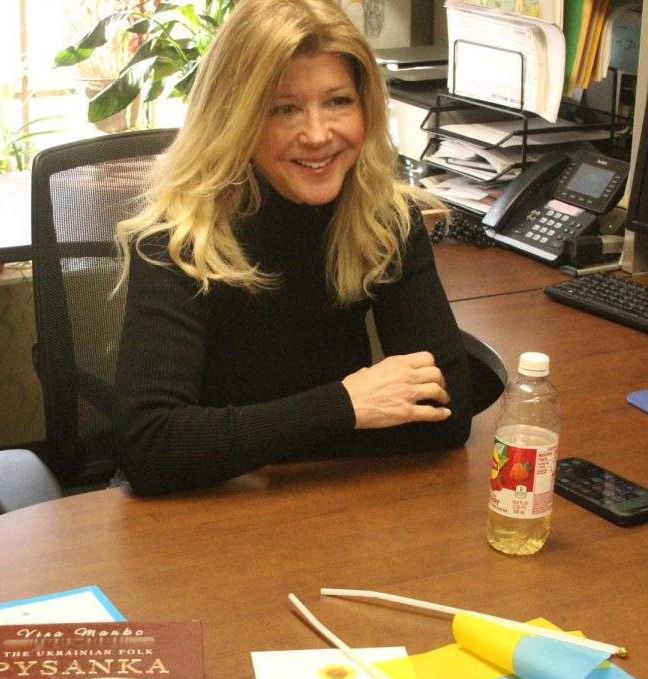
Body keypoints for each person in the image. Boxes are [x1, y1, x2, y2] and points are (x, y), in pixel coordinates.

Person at [112, 0, 486, 496]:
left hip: (324, 501)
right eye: (284, 109)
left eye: (338, 102)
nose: (317, 135)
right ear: (236, 117)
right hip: (205, 512)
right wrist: (347, 406)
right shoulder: (177, 238)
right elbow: (151, 447)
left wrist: (262, 443)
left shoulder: (382, 219)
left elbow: (447, 415)